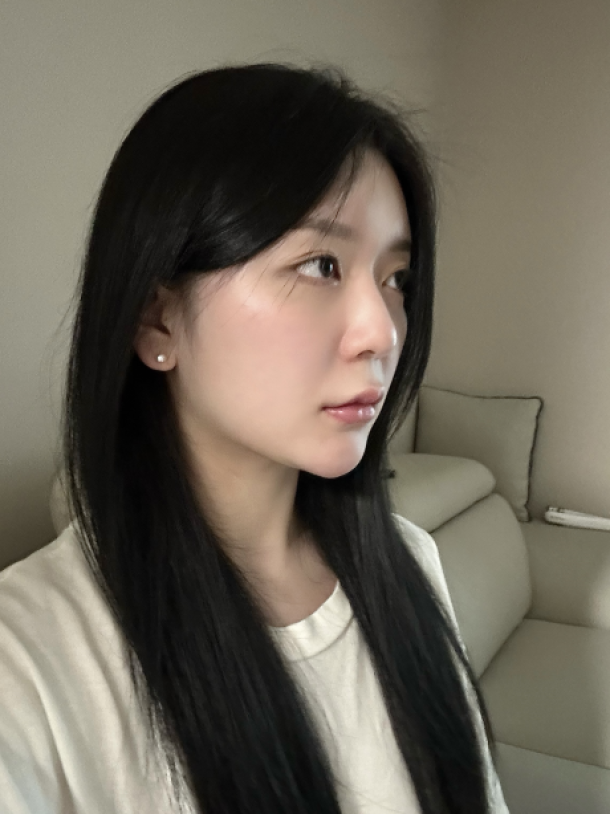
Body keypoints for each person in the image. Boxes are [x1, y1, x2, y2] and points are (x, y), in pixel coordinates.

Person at [0, 63, 510, 814]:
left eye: (397, 278)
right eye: (321, 265)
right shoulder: (29, 663)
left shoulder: (410, 561)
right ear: (157, 320)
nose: (382, 332)